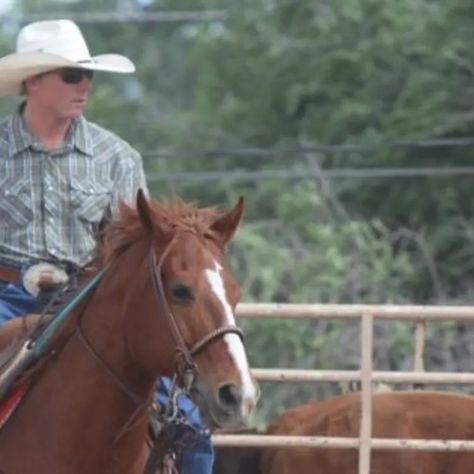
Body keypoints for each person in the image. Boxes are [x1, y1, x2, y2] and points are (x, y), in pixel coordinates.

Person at [0, 19, 214, 474]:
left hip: (87, 306)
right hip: (3, 300)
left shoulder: (117, 158)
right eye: (73, 76)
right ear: (34, 82)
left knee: (190, 428)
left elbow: (140, 251)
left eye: (88, 76)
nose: (85, 86)